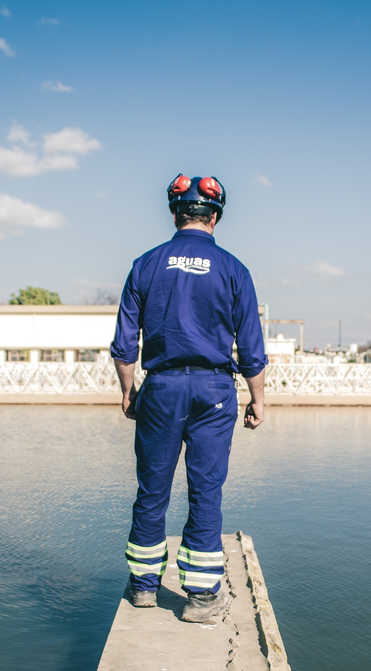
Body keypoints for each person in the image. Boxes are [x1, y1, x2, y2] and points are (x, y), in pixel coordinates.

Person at [110, 174, 268, 624]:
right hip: (215, 392)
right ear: (215, 217)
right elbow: (251, 349)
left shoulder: (145, 264)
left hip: (161, 389)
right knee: (205, 492)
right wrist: (258, 401)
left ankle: (143, 588)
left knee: (152, 489)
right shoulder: (235, 269)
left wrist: (129, 390)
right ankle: (200, 599)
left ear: (175, 213)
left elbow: (124, 345)